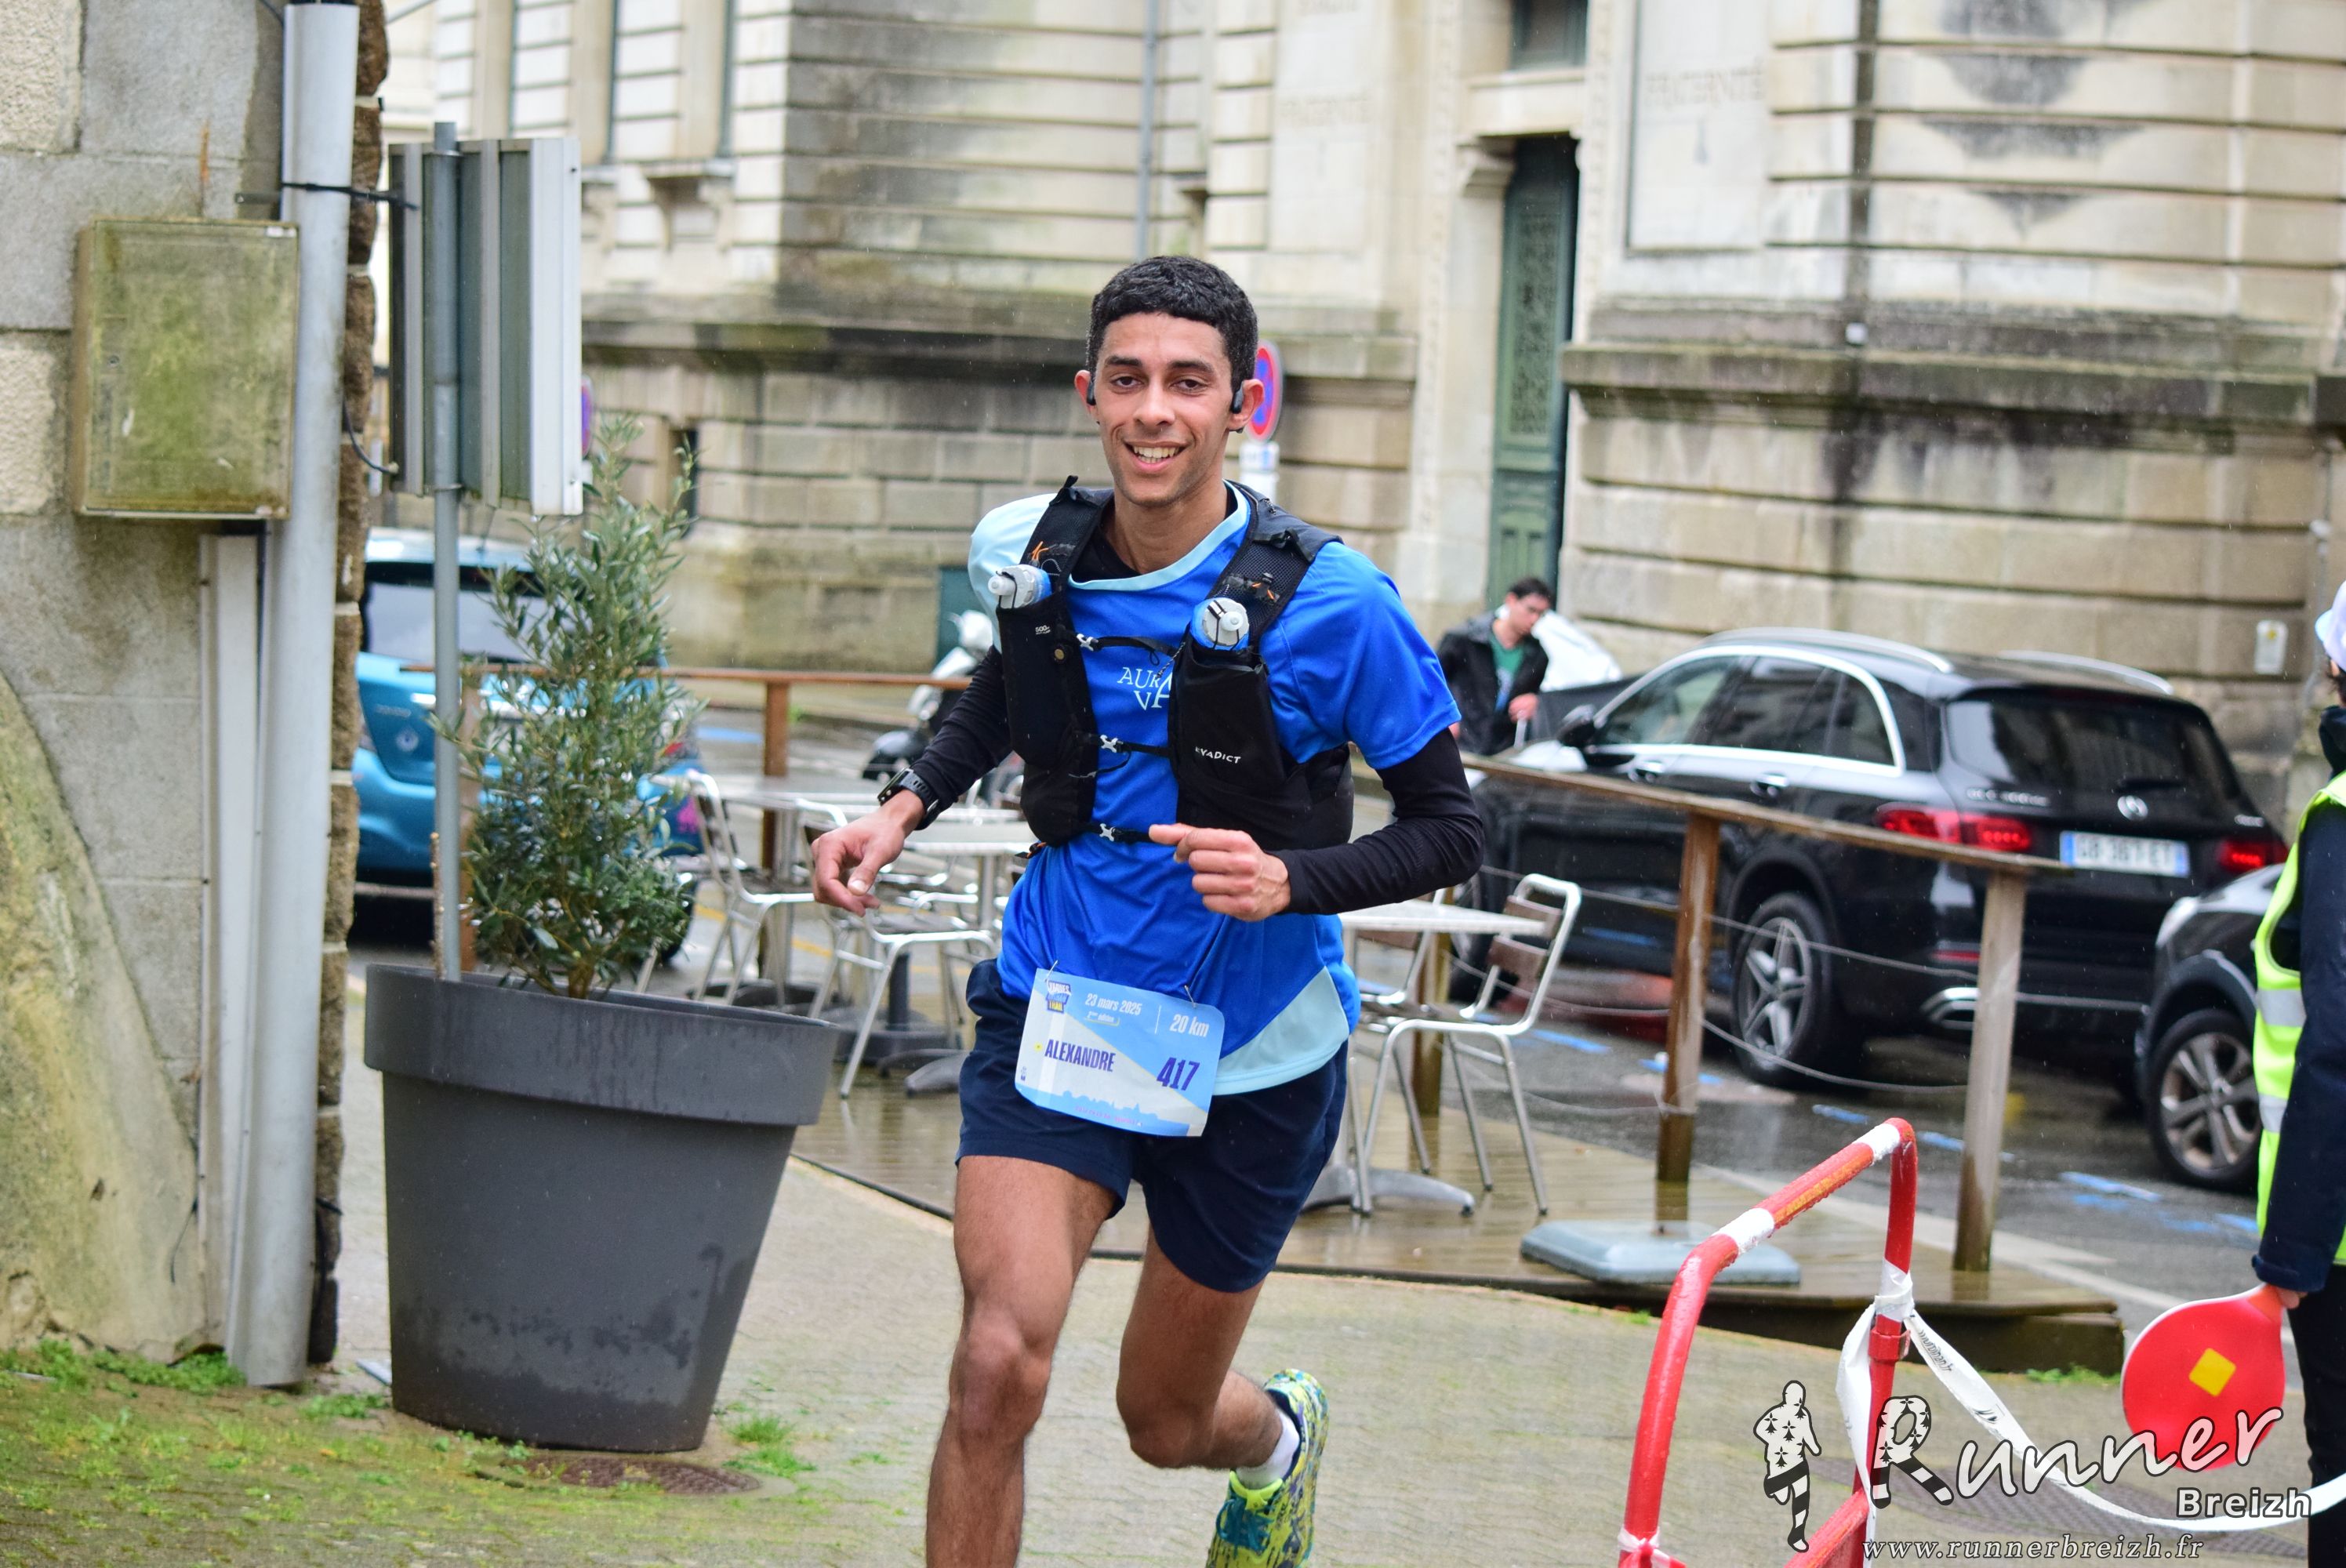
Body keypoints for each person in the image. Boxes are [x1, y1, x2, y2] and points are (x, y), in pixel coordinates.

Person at [808, 256, 1482, 1568]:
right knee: (995, 1366)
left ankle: (1277, 1442)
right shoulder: (1042, 553)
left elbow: (1451, 828)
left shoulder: (1338, 604)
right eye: (1127, 381)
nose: (1153, 411)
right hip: (1063, 1004)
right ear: (1090, 393)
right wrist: (902, 808)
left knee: (1163, 1421)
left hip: (1255, 1048)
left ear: (1242, 402)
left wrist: (1292, 880)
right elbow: (1009, 691)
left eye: (1187, 382)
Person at [2251, 579, 2346, 1566]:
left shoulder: (2340, 818)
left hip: (2340, 1228)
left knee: (2340, 1466)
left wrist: (2292, 1251)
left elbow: (2336, 1043)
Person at [1436, 578, 1553, 756]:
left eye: (1541, 614)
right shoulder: (1466, 638)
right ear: (1511, 600)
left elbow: (1536, 694)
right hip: (1459, 741)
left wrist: (1534, 701)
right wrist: (1443, 716)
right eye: (1531, 610)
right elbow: (1433, 679)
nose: (1534, 619)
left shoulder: (1537, 655)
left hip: (1502, 748)